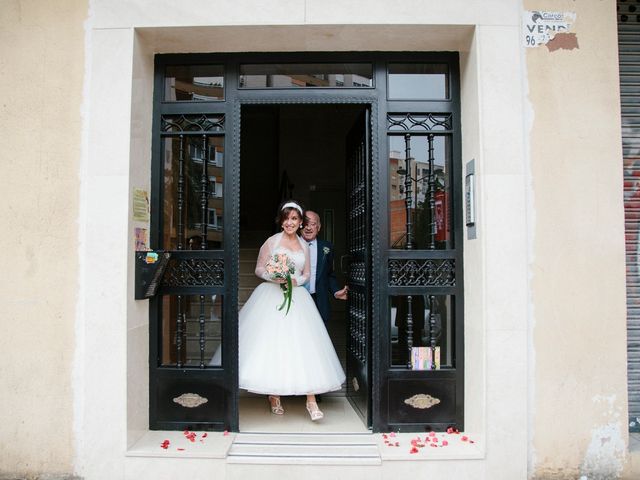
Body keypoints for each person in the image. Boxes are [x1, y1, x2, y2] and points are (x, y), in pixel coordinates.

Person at [238, 201, 346, 421]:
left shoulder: (303, 245)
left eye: (294, 219)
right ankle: (274, 395)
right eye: (287, 218)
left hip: (297, 297)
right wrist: (275, 276)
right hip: (271, 296)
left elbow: (307, 274)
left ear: (300, 223)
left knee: (305, 345)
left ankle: (311, 400)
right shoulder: (272, 241)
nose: (290, 222)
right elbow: (259, 268)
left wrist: (295, 280)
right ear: (282, 220)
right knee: (273, 344)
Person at [301, 210, 348, 325]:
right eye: (306, 224)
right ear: (300, 225)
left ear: (319, 227)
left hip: (319, 299)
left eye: (312, 224)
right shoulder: (291, 245)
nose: (308, 228)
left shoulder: (327, 247)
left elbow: (329, 274)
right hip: (297, 299)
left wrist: (336, 291)